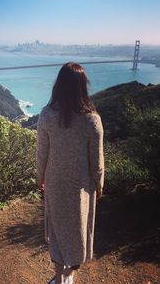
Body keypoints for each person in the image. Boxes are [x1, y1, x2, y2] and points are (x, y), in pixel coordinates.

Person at [36, 62, 104, 284]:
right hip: (81, 187)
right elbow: (97, 161)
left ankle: (58, 278)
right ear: (83, 87)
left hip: (55, 183)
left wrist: (40, 178)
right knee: (77, 230)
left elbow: (41, 154)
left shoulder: (46, 115)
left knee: (56, 232)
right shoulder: (92, 120)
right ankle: (69, 275)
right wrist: (100, 183)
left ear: (59, 85)